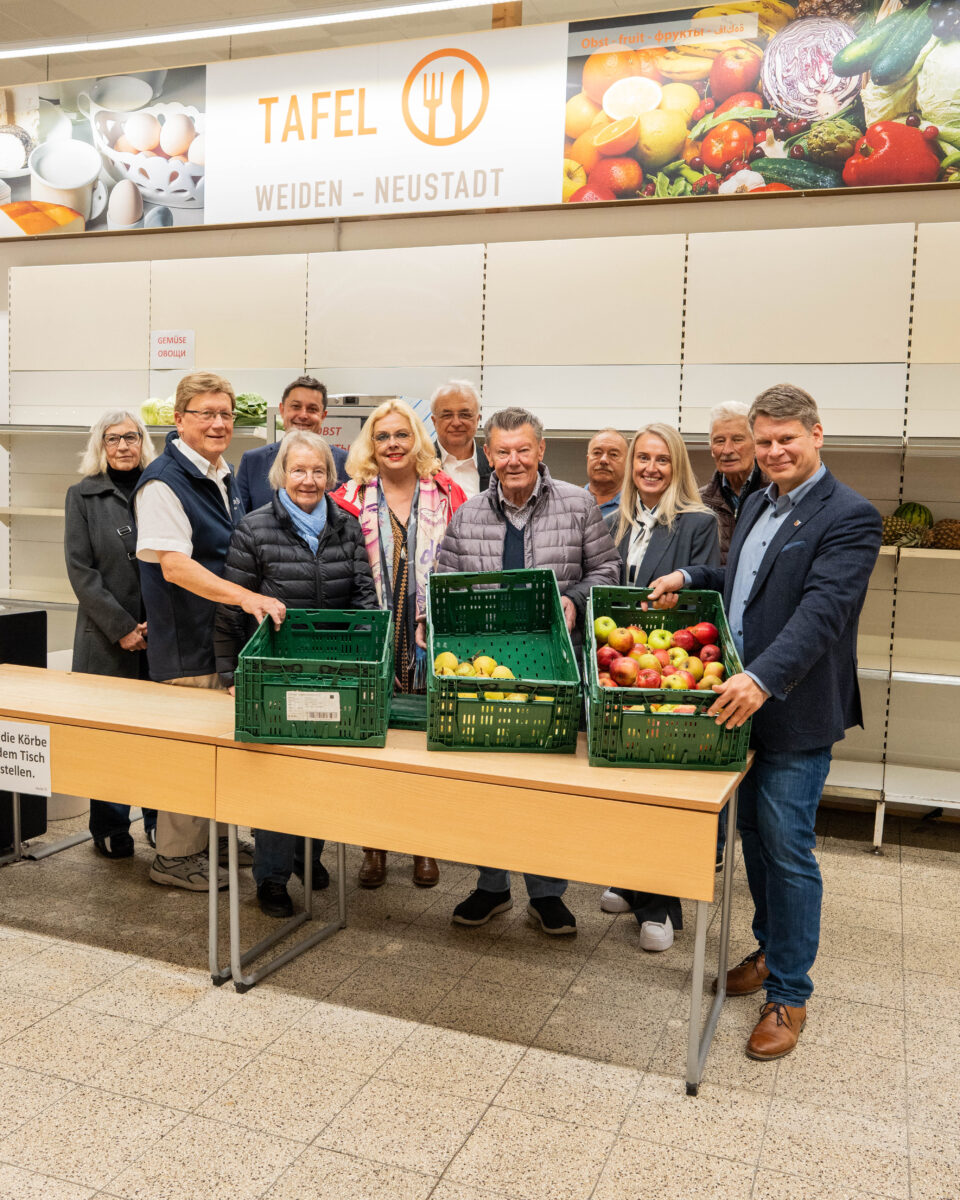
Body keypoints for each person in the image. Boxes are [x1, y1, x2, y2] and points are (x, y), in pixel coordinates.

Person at [647, 383, 882, 1061]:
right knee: (751, 837)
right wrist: (693, 575)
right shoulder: (756, 502)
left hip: (793, 708)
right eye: (766, 441)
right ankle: (769, 951)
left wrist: (760, 677)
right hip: (737, 704)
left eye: (789, 439)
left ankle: (790, 994)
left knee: (786, 848)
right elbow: (740, 581)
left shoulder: (850, 516)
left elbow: (822, 613)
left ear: (817, 436)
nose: (776, 451)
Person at [436, 406, 621, 937]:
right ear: (488, 455)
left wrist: (573, 600)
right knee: (487, 784)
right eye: (501, 451)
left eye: (523, 450)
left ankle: (548, 894)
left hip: (554, 666)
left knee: (549, 784)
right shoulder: (469, 513)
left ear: (540, 451)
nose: (512, 461)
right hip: (484, 669)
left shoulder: (578, 503)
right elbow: (444, 578)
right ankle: (491, 885)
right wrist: (429, 617)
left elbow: (608, 573)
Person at [133, 371, 285, 892]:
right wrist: (246, 596)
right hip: (188, 646)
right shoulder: (162, 482)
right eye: (206, 413)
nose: (219, 423)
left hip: (221, 643)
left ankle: (212, 840)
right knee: (189, 756)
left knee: (217, 752)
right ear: (179, 420)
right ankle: (174, 858)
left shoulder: (219, 472)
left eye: (225, 413)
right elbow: (174, 566)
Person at [215, 431, 378, 918]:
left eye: (318, 471)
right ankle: (272, 876)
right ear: (281, 475)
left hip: (333, 668)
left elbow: (365, 596)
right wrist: (229, 669)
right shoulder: (254, 528)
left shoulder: (347, 525)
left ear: (331, 476)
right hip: (275, 671)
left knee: (322, 771)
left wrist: (364, 651)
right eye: (298, 470)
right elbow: (231, 604)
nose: (309, 480)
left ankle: (311, 852)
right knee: (277, 778)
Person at [332, 399, 467, 889]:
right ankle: (374, 846)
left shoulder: (449, 494)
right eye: (382, 437)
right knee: (375, 739)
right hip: (374, 630)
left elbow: (464, 563)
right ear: (370, 445)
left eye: (401, 435)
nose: (392, 445)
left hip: (431, 633)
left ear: (417, 442)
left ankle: (425, 846)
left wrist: (438, 618)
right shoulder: (346, 497)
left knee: (427, 742)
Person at [600, 423, 721, 950]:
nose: (650, 468)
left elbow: (709, 577)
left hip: (672, 669)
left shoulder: (698, 520)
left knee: (662, 786)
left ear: (678, 468)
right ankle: (629, 880)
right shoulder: (617, 520)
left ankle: (662, 905)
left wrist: (683, 582)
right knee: (623, 781)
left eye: (662, 460)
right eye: (643, 459)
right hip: (620, 664)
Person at [64, 410, 158, 858]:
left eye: (131, 437)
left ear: (143, 442)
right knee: (111, 741)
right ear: (99, 446)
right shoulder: (81, 495)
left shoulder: (158, 488)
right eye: (113, 438)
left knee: (159, 739)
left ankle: (162, 824)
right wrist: (122, 628)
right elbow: (82, 573)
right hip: (105, 641)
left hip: (159, 639)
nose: (123, 446)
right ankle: (110, 826)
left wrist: (155, 624)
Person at [235, 376, 348, 513]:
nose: (303, 415)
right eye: (296, 407)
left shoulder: (345, 463)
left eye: (312, 409)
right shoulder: (253, 461)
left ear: (323, 416)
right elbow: (239, 520)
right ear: (282, 410)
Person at [699, 401, 768, 563]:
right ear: (711, 448)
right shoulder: (697, 503)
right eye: (719, 441)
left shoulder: (779, 496)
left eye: (737, 440)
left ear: (755, 444)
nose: (727, 450)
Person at [430, 380, 491, 500]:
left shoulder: (496, 467)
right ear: (434, 421)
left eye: (465, 415)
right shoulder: (417, 467)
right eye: (447, 415)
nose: (456, 423)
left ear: (478, 419)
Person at [585, 428, 628, 529]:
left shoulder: (635, 509)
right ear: (587, 459)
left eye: (613, 454)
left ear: (628, 463)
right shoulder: (568, 504)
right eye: (597, 453)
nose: (603, 460)